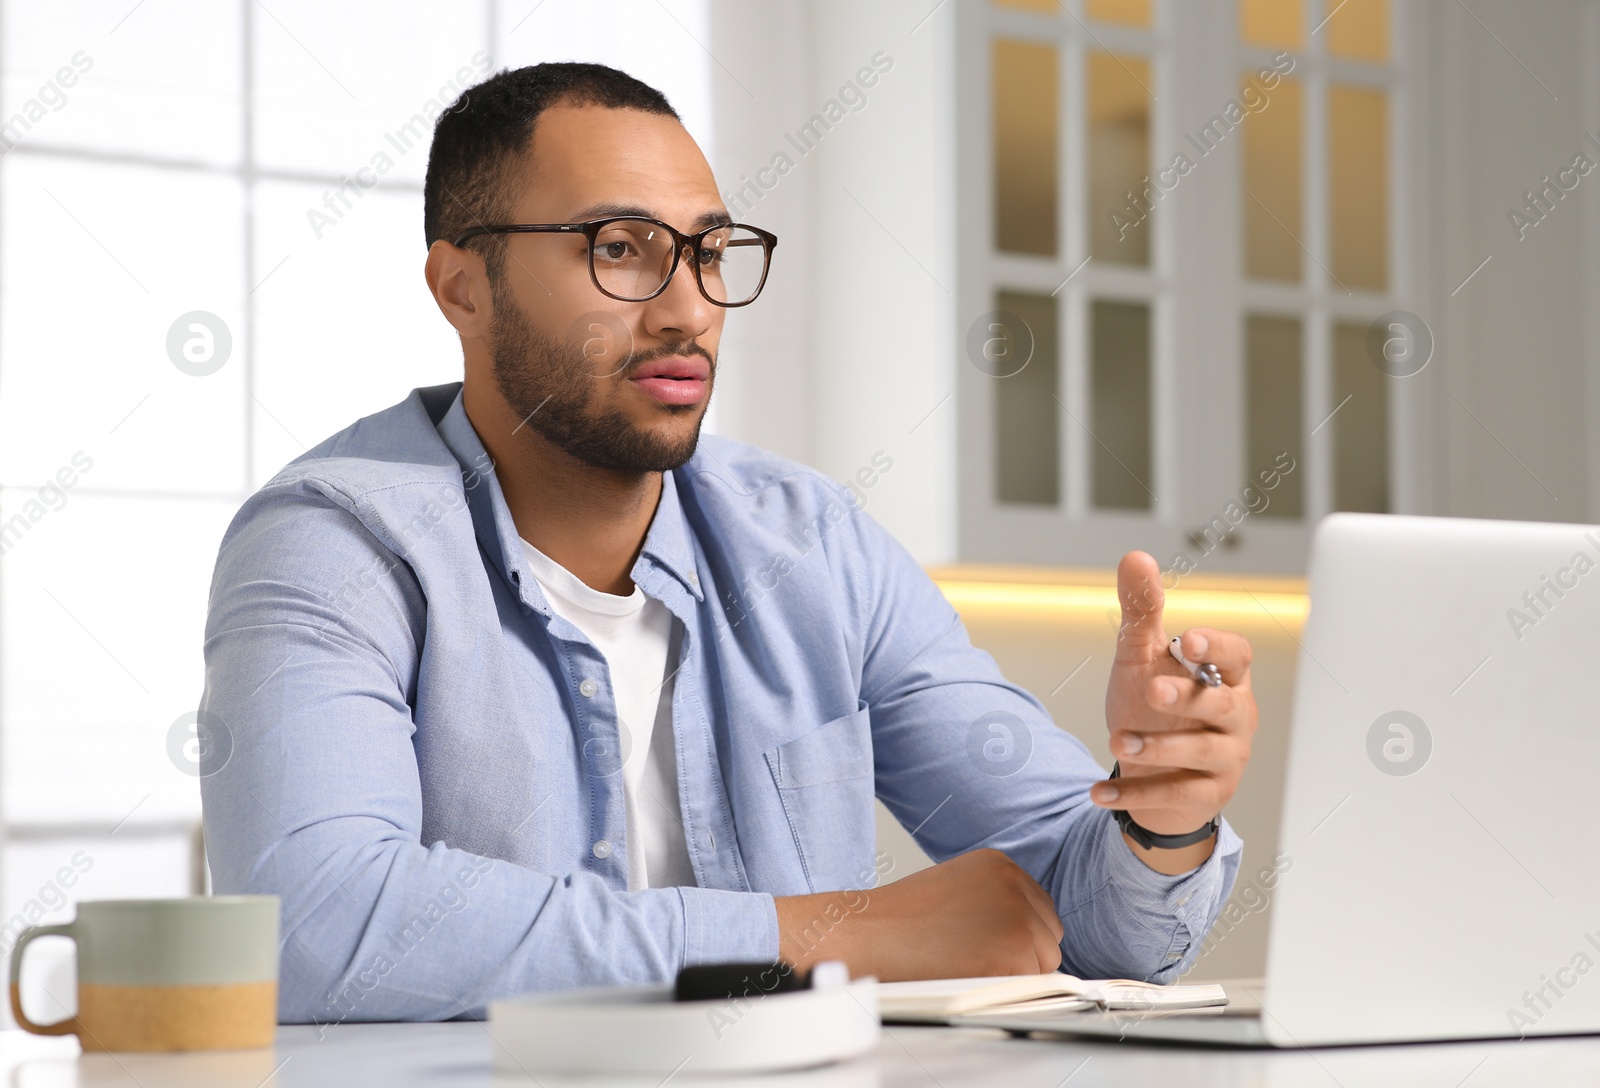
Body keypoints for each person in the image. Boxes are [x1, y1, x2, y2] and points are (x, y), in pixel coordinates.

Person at [199, 62, 1256, 1025]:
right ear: (461, 287)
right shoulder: (335, 540)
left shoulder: (814, 545)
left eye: (708, 252)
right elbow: (312, 924)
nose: (687, 308)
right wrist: (819, 935)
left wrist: (1159, 822)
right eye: (620, 249)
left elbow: (1099, 933)